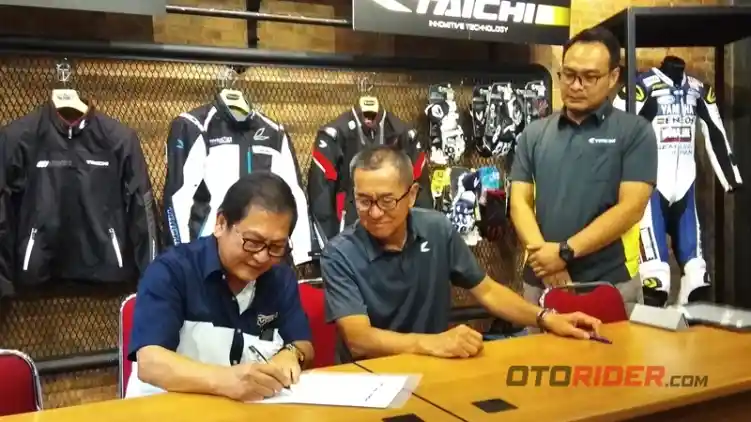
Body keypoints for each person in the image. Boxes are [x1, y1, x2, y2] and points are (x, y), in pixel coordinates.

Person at [321, 145, 602, 363]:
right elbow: (359, 340)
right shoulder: (339, 253)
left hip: (434, 367)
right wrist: (433, 343)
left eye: (386, 200)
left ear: (412, 195)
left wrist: (546, 317)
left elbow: (487, 291)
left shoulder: (436, 229)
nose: (374, 212)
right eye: (364, 201)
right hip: (370, 377)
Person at [509, 26, 657, 318]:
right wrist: (546, 262)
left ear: (613, 77)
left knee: (616, 350)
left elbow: (631, 207)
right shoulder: (534, 133)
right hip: (542, 282)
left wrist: (564, 253)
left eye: (589, 77)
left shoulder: (635, 132)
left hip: (609, 283)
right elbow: (519, 203)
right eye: (569, 75)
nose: (576, 85)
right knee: (538, 350)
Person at [126, 172, 314, 401]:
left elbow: (302, 342)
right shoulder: (171, 271)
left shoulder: (280, 277)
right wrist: (227, 381)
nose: (262, 257)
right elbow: (150, 362)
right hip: (166, 407)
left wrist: (290, 353)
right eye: (253, 242)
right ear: (221, 224)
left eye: (276, 247)